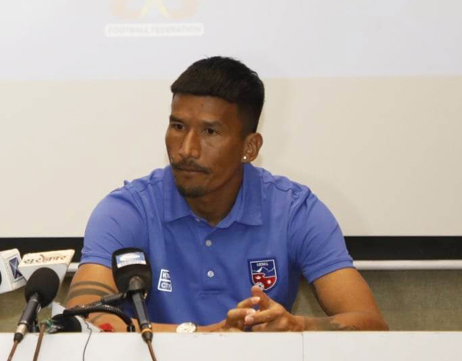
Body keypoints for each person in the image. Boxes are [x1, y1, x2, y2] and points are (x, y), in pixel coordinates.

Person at [66, 57, 387, 332]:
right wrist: (205, 335)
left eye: (210, 132)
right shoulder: (128, 209)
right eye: (178, 126)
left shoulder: (294, 211)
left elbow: (370, 323)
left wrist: (298, 326)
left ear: (250, 147)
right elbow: (84, 318)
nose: (187, 149)